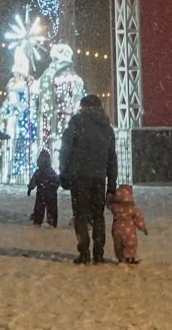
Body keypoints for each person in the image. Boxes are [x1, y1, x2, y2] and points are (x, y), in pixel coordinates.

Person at [59, 93, 118, 265]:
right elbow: (112, 158)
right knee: (98, 216)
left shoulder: (77, 122)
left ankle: (84, 252)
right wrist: (111, 185)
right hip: (99, 178)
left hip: (79, 176)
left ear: (84, 106)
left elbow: (66, 149)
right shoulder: (107, 128)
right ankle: (98, 254)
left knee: (80, 216)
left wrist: (64, 171)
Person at [108, 184, 148, 264]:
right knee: (131, 244)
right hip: (129, 231)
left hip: (116, 230)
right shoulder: (132, 208)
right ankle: (130, 257)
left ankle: (120, 258)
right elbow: (138, 218)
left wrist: (111, 197)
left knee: (118, 245)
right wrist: (143, 228)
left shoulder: (114, 207)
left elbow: (108, 204)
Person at [26, 148, 60, 227]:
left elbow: (33, 181)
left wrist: (30, 188)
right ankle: (52, 221)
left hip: (41, 192)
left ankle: (38, 221)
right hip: (51, 193)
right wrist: (54, 187)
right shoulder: (51, 172)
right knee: (52, 208)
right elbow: (57, 181)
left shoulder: (39, 172)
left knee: (39, 207)